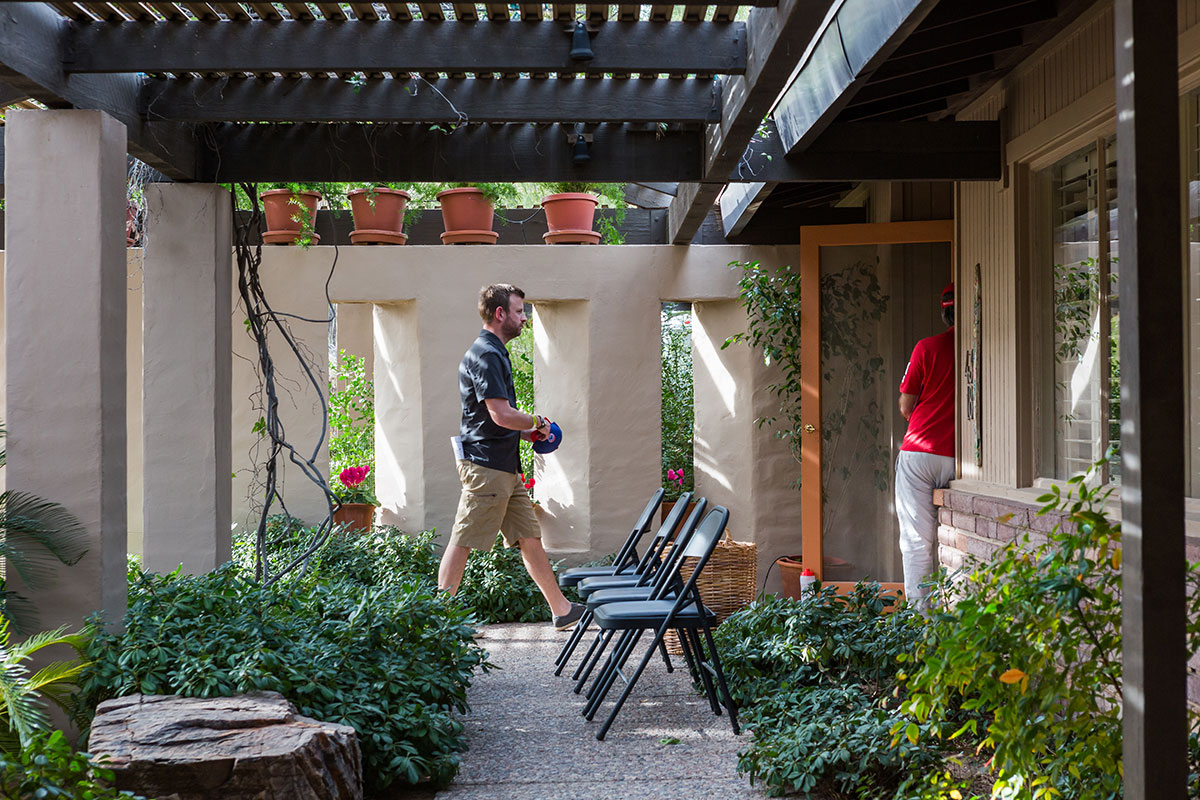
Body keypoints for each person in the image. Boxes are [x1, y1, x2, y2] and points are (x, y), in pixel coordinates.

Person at [437, 283, 586, 630]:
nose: (525, 318)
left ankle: (562, 611)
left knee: (528, 536)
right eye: (520, 311)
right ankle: (438, 620)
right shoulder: (487, 354)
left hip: (503, 466)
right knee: (464, 539)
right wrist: (537, 421)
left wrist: (528, 431)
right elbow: (501, 414)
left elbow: (496, 419)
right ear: (500, 313)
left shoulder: (494, 352)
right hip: (487, 467)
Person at [895, 282, 956, 611]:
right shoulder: (982, 350)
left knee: (917, 542)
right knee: (957, 537)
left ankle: (923, 624)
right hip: (964, 460)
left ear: (944, 312)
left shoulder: (927, 348)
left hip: (920, 453)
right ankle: (956, 615)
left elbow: (906, 406)